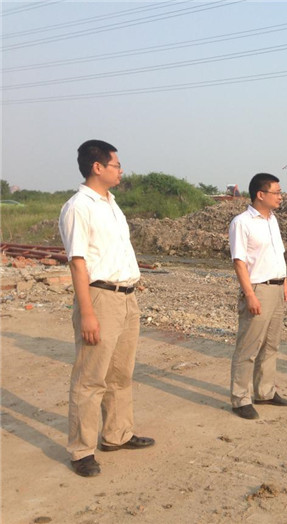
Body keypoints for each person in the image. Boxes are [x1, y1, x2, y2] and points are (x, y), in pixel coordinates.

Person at [59, 140, 154, 478]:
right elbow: (78, 263)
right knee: (90, 378)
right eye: (116, 165)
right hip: (99, 297)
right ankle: (81, 450)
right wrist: (87, 313)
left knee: (120, 373)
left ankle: (117, 434)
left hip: (126, 297)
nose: (121, 170)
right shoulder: (79, 207)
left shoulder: (112, 204)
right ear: (97, 167)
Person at [229, 173, 287, 420]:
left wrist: (284, 283)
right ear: (260, 194)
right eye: (276, 192)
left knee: (271, 344)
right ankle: (240, 399)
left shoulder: (272, 220)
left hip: (276, 288)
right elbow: (239, 261)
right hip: (258, 289)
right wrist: (249, 295)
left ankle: (265, 391)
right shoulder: (242, 223)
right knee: (249, 346)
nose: (280, 197)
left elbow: (278, 254)